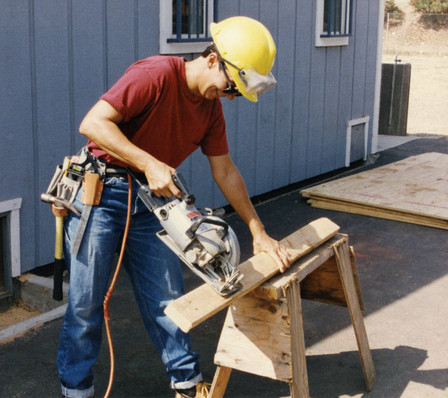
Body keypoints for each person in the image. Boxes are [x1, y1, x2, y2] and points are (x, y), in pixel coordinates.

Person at [57, 16, 291, 398]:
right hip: (102, 193)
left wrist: (257, 231)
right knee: (86, 305)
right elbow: (93, 123)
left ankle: (186, 383)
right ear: (214, 60)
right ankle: (76, 390)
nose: (231, 96)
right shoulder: (155, 74)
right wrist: (148, 162)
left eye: (238, 92)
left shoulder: (210, 108)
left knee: (168, 301)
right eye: (232, 86)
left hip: (152, 202)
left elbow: (226, 171)